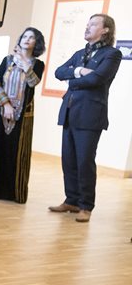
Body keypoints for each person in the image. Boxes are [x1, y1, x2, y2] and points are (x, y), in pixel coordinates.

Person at [49, 14, 122, 223]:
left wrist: (72, 79)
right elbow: (58, 72)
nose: (87, 27)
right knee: (68, 159)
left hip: (90, 115)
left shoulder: (112, 54)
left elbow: (98, 78)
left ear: (105, 30)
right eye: (87, 24)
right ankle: (71, 199)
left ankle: (85, 205)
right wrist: (79, 70)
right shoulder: (80, 54)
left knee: (84, 161)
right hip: (70, 112)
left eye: (93, 24)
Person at [0, 27, 46, 203]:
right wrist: (5, 104)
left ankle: (13, 193)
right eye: (25, 36)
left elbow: (33, 82)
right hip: (1, 112)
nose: (27, 39)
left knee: (17, 151)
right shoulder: (7, 60)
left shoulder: (37, 64)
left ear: (37, 43)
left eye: (32, 37)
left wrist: (24, 62)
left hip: (23, 116)